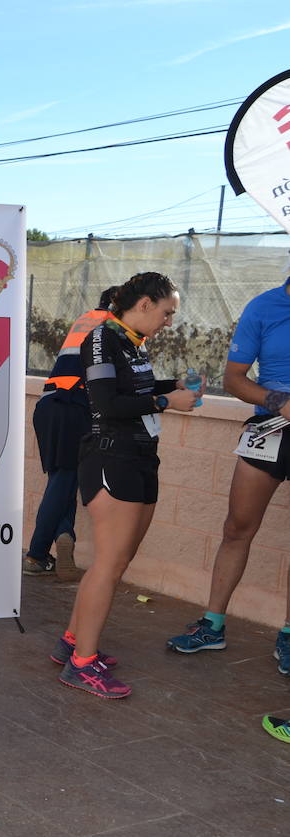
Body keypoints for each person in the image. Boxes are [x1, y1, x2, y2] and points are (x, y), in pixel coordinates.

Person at [57, 273, 198, 699]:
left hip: (138, 457)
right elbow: (106, 402)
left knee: (115, 562)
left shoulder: (130, 340)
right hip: (111, 457)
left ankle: (73, 641)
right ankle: (82, 664)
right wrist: (163, 402)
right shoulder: (102, 337)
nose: (169, 321)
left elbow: (130, 389)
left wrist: (169, 387)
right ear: (144, 304)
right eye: (167, 312)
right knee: (109, 565)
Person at [166, 274, 290, 669]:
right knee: (237, 528)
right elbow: (234, 379)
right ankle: (212, 625)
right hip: (269, 429)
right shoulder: (264, 307)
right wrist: (279, 401)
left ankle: (288, 635)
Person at [25, 287, 117, 580]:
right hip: (76, 407)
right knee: (65, 480)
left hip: (49, 404)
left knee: (62, 480)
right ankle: (37, 554)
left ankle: (65, 535)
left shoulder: (85, 320)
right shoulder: (113, 329)